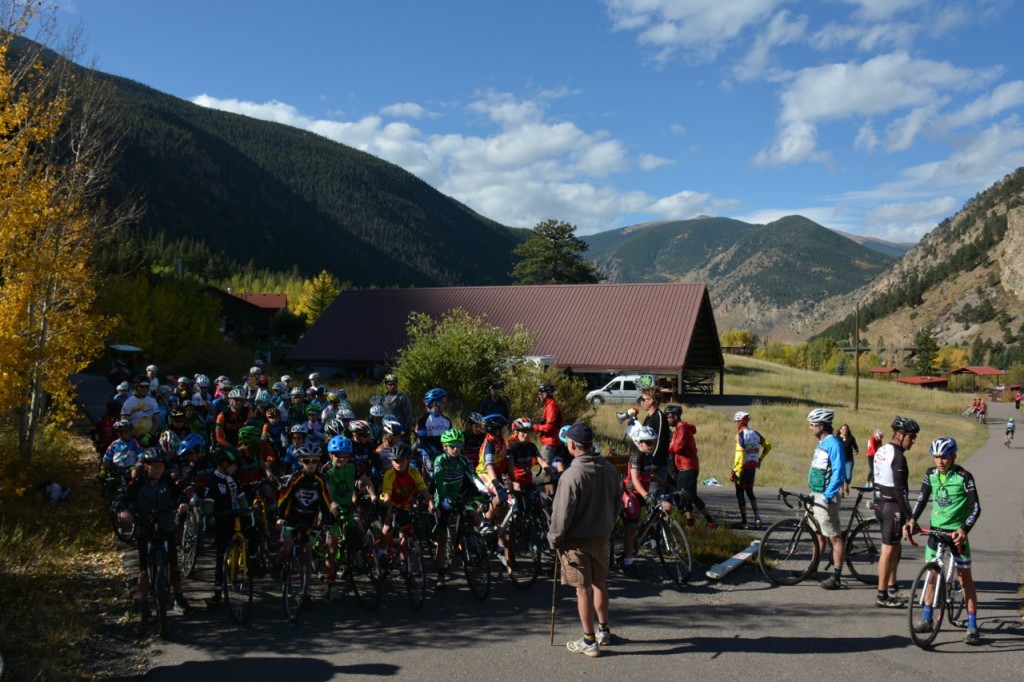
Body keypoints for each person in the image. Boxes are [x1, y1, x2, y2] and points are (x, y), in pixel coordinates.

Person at [548, 423, 622, 658]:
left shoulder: (572, 474)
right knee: (600, 582)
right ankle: (603, 630)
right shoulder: (609, 469)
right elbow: (618, 502)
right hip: (601, 536)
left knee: (582, 589)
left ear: (571, 445)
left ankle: (589, 640)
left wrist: (554, 538)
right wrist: (609, 523)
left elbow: (561, 513)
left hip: (576, 540)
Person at [905, 437, 982, 645]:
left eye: (945, 457)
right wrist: (912, 519)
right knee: (931, 575)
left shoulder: (964, 477)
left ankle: (973, 626)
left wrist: (964, 529)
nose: (940, 461)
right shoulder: (931, 474)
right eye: (937, 456)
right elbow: (921, 498)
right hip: (936, 532)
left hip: (956, 535)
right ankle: (927, 617)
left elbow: (976, 508)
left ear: (953, 456)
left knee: (965, 580)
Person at [115, 448, 193, 621]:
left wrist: (183, 504)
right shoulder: (138, 484)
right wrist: (122, 510)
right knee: (143, 569)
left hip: (166, 525)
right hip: (145, 526)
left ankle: (179, 598)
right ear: (146, 466)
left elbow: (181, 495)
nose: (158, 469)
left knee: (173, 564)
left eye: (161, 466)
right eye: (154, 466)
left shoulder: (168, 482)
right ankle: (143, 604)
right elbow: (122, 497)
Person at [431, 428, 488, 591]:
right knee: (442, 540)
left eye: (459, 445)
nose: (456, 449)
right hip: (442, 498)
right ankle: (440, 575)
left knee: (470, 507)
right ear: (445, 447)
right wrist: (442, 499)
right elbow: (439, 482)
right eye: (452, 446)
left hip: (457, 496)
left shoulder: (463, 460)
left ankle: (480, 530)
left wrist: (486, 491)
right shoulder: (440, 461)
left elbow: (474, 477)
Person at [873, 415, 919, 607]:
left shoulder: (882, 449)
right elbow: (901, 491)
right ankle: (882, 596)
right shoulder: (898, 457)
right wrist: (911, 517)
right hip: (891, 506)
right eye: (911, 436)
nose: (913, 441)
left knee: (895, 548)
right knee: (888, 549)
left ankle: (892, 587)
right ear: (900, 435)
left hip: (880, 503)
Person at [806, 408, 846, 590]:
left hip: (826, 497)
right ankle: (812, 570)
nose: (810, 428)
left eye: (812, 425)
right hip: (816, 493)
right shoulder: (821, 443)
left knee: (834, 537)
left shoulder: (834, 444)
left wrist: (829, 495)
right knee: (818, 535)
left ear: (821, 426)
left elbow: (839, 472)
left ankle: (837, 576)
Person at [665, 405, 716, 531]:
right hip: (683, 466)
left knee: (691, 495)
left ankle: (710, 522)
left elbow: (676, 448)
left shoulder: (682, 429)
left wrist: (669, 445)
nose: (667, 419)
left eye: (669, 416)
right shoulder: (679, 429)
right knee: (683, 495)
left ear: (675, 417)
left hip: (689, 465)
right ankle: (690, 523)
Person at [731, 411, 771, 529]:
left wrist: (735, 471)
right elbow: (768, 445)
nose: (735, 425)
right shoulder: (755, 433)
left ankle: (744, 522)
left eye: (736, 422)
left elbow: (740, 455)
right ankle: (757, 518)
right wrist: (760, 459)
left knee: (740, 494)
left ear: (739, 422)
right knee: (750, 492)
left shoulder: (740, 436)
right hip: (752, 468)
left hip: (742, 469)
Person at [534, 382, 564, 476]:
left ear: (545, 394)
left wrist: (534, 427)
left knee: (546, 472)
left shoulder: (551, 406)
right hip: (552, 441)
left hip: (550, 443)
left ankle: (550, 491)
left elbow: (550, 427)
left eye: (539, 394)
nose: (539, 396)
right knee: (551, 470)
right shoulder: (550, 405)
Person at [837, 424, 859, 497]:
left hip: (849, 460)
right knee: (841, 476)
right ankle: (842, 491)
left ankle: (847, 485)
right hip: (839, 460)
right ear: (840, 430)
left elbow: (855, 447)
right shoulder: (837, 438)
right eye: (842, 429)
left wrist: (856, 451)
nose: (844, 431)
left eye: (845, 429)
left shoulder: (851, 438)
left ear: (847, 430)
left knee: (848, 477)